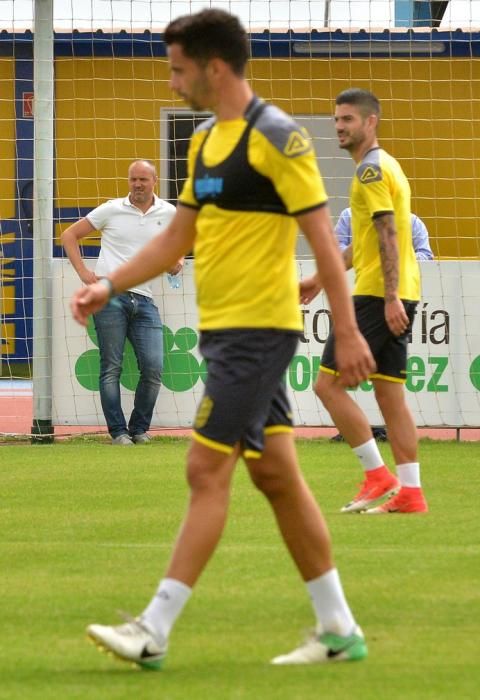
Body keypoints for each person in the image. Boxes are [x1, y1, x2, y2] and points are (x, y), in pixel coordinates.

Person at [71, 10, 375, 669]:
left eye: (179, 69)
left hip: (259, 334)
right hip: (224, 335)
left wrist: (346, 330)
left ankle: (153, 629)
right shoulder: (205, 142)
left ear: (213, 66)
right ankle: (339, 629)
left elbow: (324, 243)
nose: (173, 81)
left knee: (205, 467)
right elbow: (178, 239)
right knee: (277, 477)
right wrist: (108, 285)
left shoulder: (278, 137)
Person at [301, 88, 428, 515]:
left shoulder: (370, 172)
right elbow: (365, 241)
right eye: (336, 120)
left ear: (370, 122)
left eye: (348, 120)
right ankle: (411, 492)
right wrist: (321, 277)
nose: (339, 127)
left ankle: (377, 475)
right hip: (398, 291)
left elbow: (390, 233)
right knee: (390, 397)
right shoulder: (385, 165)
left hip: (378, 294)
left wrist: (389, 296)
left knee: (327, 385)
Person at [62, 159, 180, 445]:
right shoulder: (111, 209)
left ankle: (139, 428)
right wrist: (83, 273)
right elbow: (69, 235)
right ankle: (118, 432)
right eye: (133, 180)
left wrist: (176, 261)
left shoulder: (171, 213)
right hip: (110, 298)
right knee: (111, 367)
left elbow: (177, 250)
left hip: (146, 299)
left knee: (153, 368)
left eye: (143, 179)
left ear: (155, 181)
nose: (137, 185)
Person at [330, 207, 434, 442]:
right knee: (389, 393)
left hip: (382, 297)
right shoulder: (349, 215)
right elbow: (336, 251)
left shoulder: (410, 220)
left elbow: (426, 255)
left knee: (328, 383)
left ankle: (374, 464)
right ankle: (407, 477)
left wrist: (392, 259)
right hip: (388, 296)